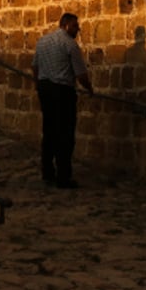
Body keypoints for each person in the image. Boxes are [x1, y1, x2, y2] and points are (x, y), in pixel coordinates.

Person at [31, 13, 94, 189]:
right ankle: (63, 176)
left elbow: (35, 66)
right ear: (65, 25)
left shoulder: (42, 41)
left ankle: (47, 171)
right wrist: (89, 88)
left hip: (45, 89)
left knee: (49, 131)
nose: (78, 29)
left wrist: (38, 85)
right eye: (75, 26)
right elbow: (80, 74)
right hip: (62, 91)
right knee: (65, 134)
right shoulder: (70, 45)